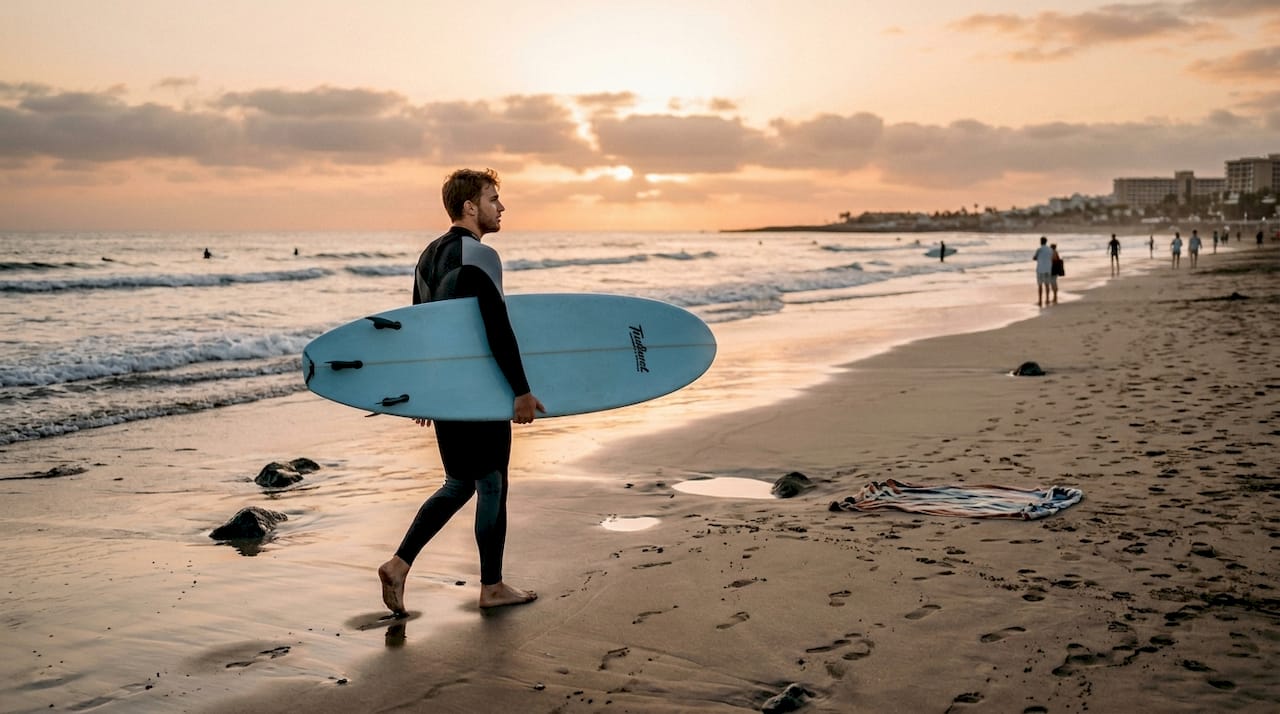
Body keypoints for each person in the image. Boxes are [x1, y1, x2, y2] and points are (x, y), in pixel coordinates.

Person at [377, 168, 543, 615]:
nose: (501, 207)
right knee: (492, 484)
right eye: (493, 199)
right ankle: (492, 587)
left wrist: (425, 389)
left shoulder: (427, 257)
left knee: (459, 482)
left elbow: (418, 327)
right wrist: (522, 391)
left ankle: (398, 564)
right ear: (470, 207)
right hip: (478, 389)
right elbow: (497, 327)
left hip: (446, 390)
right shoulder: (480, 255)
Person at [1033, 236, 1054, 307]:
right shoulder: (1050, 250)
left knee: (1040, 285)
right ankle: (1047, 299)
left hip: (1040, 269)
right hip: (1048, 268)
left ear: (1041, 241)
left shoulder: (1039, 249)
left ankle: (1040, 300)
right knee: (1047, 285)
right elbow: (1052, 257)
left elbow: (1034, 258)